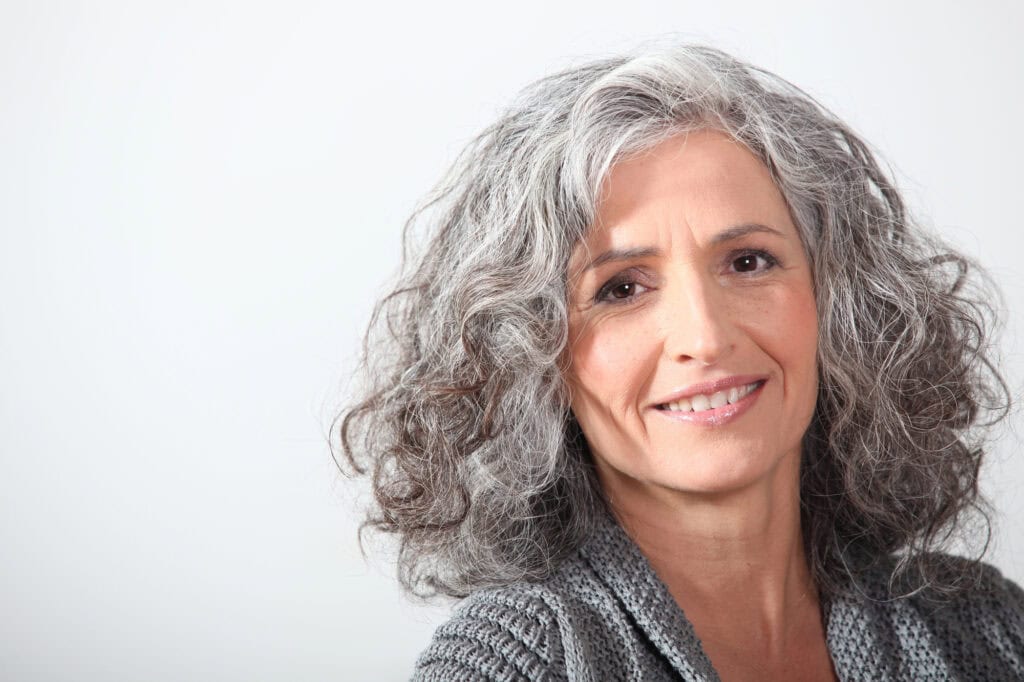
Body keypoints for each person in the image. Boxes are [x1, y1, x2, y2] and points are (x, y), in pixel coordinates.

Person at [338, 41, 1024, 680]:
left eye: (748, 262)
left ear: (837, 301)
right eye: (622, 288)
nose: (706, 335)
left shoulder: (985, 627)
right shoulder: (511, 664)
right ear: (529, 361)